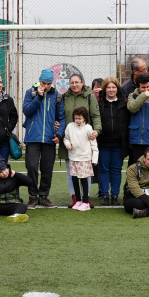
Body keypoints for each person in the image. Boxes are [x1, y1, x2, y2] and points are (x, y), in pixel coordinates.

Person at [22, 68, 65, 208]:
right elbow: (27, 111)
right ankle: (33, 197)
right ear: (39, 81)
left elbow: (62, 118)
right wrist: (39, 97)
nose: (45, 86)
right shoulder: (31, 92)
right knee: (32, 167)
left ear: (52, 82)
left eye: (47, 83)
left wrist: (59, 134)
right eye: (43, 83)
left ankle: (44, 196)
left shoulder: (57, 96)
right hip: (32, 137)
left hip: (50, 138)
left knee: (47, 168)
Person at [58, 73, 101, 208]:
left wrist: (97, 130)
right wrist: (57, 124)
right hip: (69, 139)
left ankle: (85, 199)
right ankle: (75, 198)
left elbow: (96, 116)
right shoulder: (65, 97)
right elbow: (60, 115)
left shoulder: (90, 96)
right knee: (71, 171)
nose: (75, 85)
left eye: (77, 82)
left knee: (85, 173)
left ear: (82, 82)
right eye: (72, 83)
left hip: (84, 142)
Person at [96, 76, 128, 206]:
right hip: (102, 143)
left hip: (118, 143)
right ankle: (104, 195)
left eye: (113, 87)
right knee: (103, 170)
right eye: (108, 87)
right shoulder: (99, 102)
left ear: (117, 88)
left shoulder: (123, 102)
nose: (111, 89)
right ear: (104, 89)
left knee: (116, 169)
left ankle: (115, 195)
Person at [63, 106, 99, 211]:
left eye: (80, 118)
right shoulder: (70, 126)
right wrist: (67, 144)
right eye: (76, 118)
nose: (77, 120)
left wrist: (95, 159)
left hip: (84, 158)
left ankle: (86, 202)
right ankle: (78, 200)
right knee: (74, 179)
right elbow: (66, 138)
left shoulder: (88, 128)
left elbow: (93, 144)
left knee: (84, 180)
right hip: (73, 158)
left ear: (85, 118)